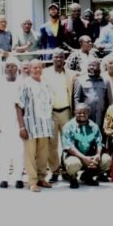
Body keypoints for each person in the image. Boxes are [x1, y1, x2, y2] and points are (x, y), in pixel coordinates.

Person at [16, 59, 54, 192]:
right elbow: (18, 105)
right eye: (34, 68)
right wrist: (21, 127)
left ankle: (41, 178)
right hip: (30, 126)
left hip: (44, 126)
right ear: (30, 69)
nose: (37, 70)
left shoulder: (46, 83)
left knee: (43, 154)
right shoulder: (25, 84)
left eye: (39, 67)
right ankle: (32, 182)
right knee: (30, 155)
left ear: (42, 68)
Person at [43, 49, 77, 183]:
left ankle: (67, 170)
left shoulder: (71, 74)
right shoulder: (45, 73)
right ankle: (55, 170)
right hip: (51, 113)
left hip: (66, 112)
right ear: (52, 58)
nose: (58, 59)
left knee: (67, 143)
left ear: (64, 59)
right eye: (56, 57)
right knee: (51, 144)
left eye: (61, 57)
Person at [0, 59, 24, 189]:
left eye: (13, 66)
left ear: (17, 69)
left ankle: (18, 178)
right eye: (8, 66)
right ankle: (3, 178)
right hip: (2, 123)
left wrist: (22, 125)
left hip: (17, 123)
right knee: (4, 152)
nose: (10, 68)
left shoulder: (22, 83)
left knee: (19, 151)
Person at [61, 104, 111, 189]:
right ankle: (73, 178)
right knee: (73, 164)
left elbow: (99, 143)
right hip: (74, 156)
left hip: (90, 156)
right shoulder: (68, 126)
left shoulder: (94, 126)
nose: (82, 114)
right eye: (79, 112)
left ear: (88, 113)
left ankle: (88, 176)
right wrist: (84, 158)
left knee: (106, 159)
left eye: (84, 112)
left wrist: (97, 155)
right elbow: (69, 147)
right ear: (75, 112)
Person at [74, 59, 110, 131]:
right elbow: (77, 99)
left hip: (101, 115)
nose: (91, 67)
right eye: (89, 65)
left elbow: (108, 100)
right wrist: (79, 114)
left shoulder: (105, 81)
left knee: (100, 133)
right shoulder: (80, 80)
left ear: (99, 67)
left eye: (93, 65)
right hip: (86, 115)